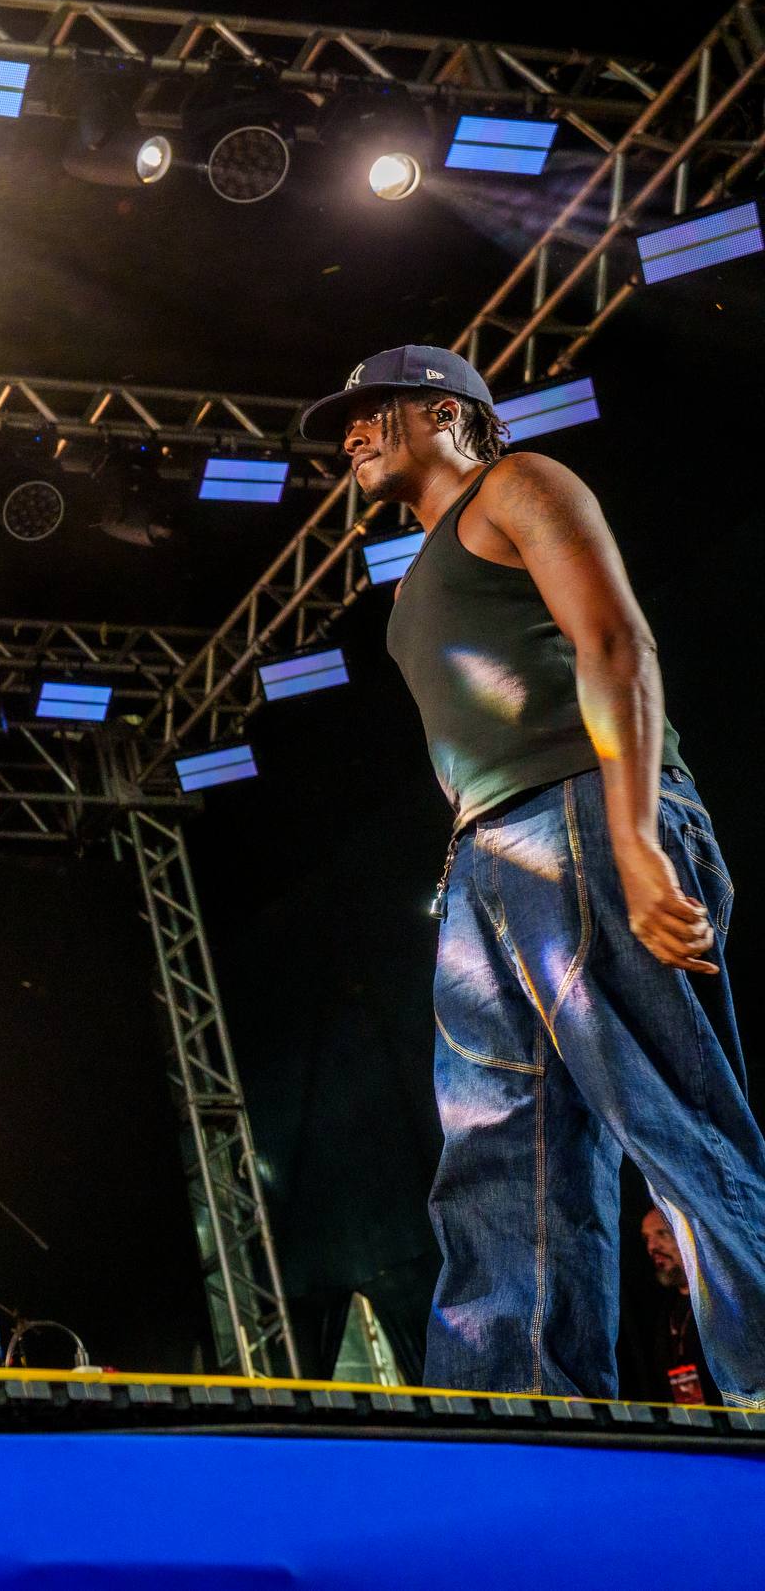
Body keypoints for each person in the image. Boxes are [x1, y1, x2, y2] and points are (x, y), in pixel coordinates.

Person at [310, 345, 755, 1405]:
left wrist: (635, 833)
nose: (351, 433)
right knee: (499, 1161)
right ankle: (520, 1414)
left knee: (671, 1118)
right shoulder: (414, 574)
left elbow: (614, 643)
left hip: (585, 814)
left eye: (374, 409)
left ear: (444, 412)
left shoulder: (519, 483)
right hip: (484, 858)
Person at [637, 1205, 711, 1406]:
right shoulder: (663, 1311)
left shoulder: (721, 1304)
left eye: (662, 1233)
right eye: (646, 1238)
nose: (652, 1247)